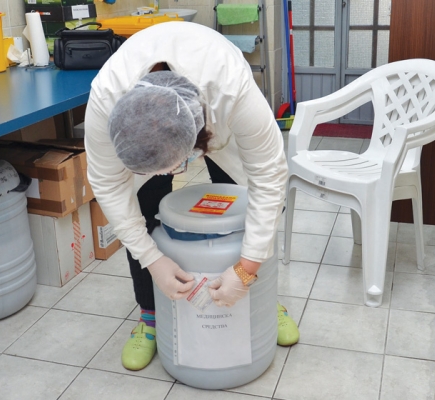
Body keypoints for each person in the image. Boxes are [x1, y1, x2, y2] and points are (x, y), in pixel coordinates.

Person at [84, 22, 299, 372]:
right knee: (144, 207)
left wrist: (246, 270)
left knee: (250, 206)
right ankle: (150, 314)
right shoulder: (106, 100)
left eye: (175, 165)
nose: (172, 174)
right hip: (146, 129)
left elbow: (269, 176)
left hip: (220, 119)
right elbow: (108, 184)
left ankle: (260, 299)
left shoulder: (229, 86)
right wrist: (152, 259)